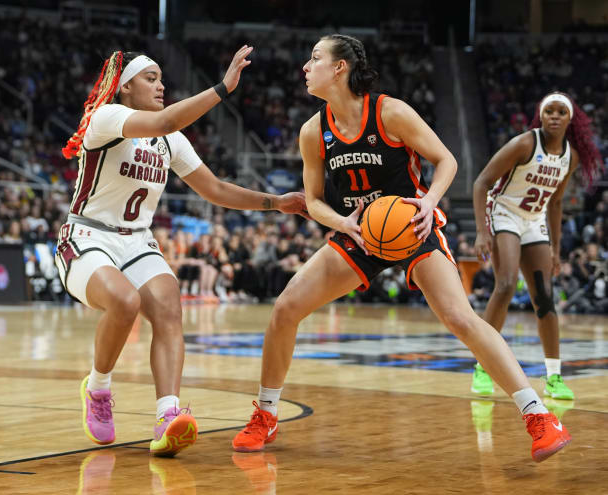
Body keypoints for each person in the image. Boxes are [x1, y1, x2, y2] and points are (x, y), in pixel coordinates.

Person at [232, 34, 571, 462]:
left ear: (340, 68)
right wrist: (342, 223)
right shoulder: (312, 131)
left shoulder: (390, 112)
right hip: (358, 233)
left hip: (409, 226)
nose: (305, 66)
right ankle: (266, 414)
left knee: (460, 318)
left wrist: (429, 203)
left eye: (315, 58)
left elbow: (446, 160)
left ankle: (539, 416)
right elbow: (313, 200)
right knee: (285, 309)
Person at [55, 46, 309, 456]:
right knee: (123, 300)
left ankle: (167, 416)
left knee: (169, 306)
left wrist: (275, 202)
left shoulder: (170, 141)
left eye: (160, 78)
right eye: (151, 78)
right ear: (124, 88)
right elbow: (166, 118)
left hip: (137, 239)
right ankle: (98, 389)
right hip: (87, 236)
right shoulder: (107, 119)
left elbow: (216, 189)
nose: (161, 85)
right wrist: (223, 88)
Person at [471, 92, 602, 400]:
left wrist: (556, 248)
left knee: (545, 297)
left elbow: (556, 202)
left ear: (570, 120)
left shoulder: (570, 156)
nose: (554, 116)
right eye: (549, 111)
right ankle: (482, 366)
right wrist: (481, 231)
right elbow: (481, 182)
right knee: (504, 285)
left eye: (561, 112)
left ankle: (554, 377)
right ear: (541, 116)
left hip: (534, 219)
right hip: (504, 212)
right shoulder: (525, 143)